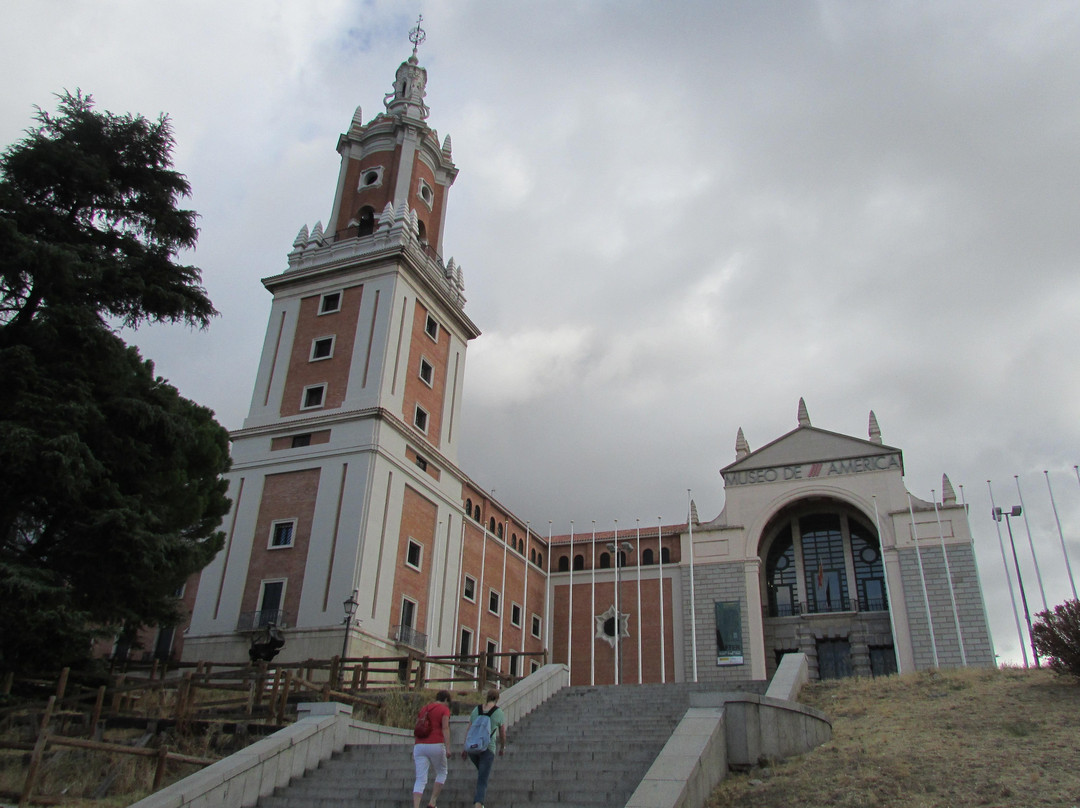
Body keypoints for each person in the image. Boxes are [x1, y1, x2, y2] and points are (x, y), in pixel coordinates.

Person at [462, 688, 506, 808]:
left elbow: (469, 729)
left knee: (482, 774)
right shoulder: (498, 712)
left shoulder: (477, 709)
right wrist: (502, 746)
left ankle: (479, 802)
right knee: (483, 779)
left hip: (472, 748)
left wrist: (464, 747)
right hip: (487, 749)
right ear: (497, 699)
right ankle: (478, 804)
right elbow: (502, 733)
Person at [412, 689, 452, 808]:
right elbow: (445, 728)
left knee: (420, 779)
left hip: (419, 745)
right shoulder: (444, 709)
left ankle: (416, 806)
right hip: (436, 744)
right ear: (445, 700)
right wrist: (448, 747)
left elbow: (417, 725)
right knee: (442, 772)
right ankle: (432, 802)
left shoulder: (424, 708)